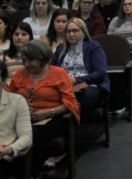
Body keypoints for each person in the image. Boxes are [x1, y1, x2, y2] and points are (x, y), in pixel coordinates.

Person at [5, 41, 80, 170]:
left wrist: (48, 112)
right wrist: (19, 107)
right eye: (24, 60)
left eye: (31, 60)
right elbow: (9, 97)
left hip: (53, 118)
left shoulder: (59, 73)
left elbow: (71, 103)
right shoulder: (20, 74)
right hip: (23, 117)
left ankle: (32, 170)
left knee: (30, 134)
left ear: (43, 58)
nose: (27, 64)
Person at [51, 18, 110, 113]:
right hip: (64, 85)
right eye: (68, 31)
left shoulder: (93, 47)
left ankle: (57, 111)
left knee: (77, 97)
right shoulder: (61, 48)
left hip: (89, 85)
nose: (71, 34)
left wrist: (76, 80)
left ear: (83, 32)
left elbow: (100, 73)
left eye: (75, 31)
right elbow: (51, 69)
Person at [0, 61, 32, 173]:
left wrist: (9, 149)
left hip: (5, 155)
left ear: (3, 80)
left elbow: (27, 137)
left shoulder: (17, 101)